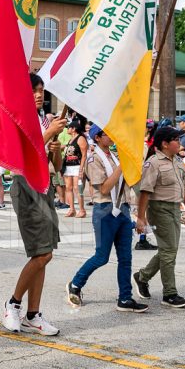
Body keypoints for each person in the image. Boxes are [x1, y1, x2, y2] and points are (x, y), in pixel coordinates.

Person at [3, 73, 66, 336]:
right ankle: (13, 304)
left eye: (41, 90)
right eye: (34, 90)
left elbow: (56, 166)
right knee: (41, 254)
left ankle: (33, 313)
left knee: (44, 253)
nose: (39, 95)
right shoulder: (17, 119)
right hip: (26, 186)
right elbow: (22, 154)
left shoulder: (44, 120)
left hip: (45, 186)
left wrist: (56, 151)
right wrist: (49, 133)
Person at [67, 126, 148, 313]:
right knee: (102, 256)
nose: (112, 137)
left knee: (126, 258)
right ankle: (76, 283)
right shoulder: (94, 159)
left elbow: (129, 182)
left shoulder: (115, 156)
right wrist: (121, 167)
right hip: (104, 210)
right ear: (97, 137)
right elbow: (104, 188)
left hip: (123, 209)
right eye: (107, 134)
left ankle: (125, 298)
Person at [133, 126, 185, 309]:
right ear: (165, 144)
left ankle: (142, 276)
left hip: (174, 208)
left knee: (169, 250)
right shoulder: (153, 163)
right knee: (169, 251)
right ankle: (169, 293)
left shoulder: (178, 161)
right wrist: (141, 218)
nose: (180, 143)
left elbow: (184, 187)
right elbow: (145, 192)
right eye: (176, 139)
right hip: (159, 209)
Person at [62, 119, 88, 218]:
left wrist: (81, 168)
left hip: (77, 165)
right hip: (68, 165)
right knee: (68, 188)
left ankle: (82, 210)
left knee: (77, 188)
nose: (67, 129)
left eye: (69, 127)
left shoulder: (80, 138)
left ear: (74, 129)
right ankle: (72, 209)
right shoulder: (70, 139)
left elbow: (84, 155)